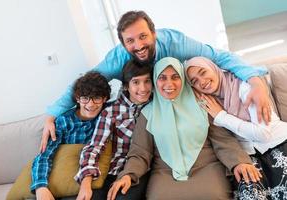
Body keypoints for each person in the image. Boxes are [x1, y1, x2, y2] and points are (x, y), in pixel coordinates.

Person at [40, 10, 271, 152]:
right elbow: (86, 83)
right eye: (130, 40)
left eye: (143, 36)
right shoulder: (117, 58)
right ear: (122, 43)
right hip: (144, 113)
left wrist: (256, 81)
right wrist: (52, 115)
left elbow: (219, 56)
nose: (138, 45)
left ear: (154, 33)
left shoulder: (175, 41)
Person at [107, 57, 261, 200]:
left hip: (206, 167)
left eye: (175, 77)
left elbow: (223, 140)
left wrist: (239, 162)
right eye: (162, 78)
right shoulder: (147, 114)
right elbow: (140, 152)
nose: (169, 84)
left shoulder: (203, 104)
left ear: (183, 79)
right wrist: (128, 175)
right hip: (165, 173)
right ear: (155, 81)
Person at [184, 56, 287, 199]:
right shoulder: (208, 103)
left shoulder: (244, 86)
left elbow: (264, 134)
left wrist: (221, 116)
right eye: (194, 81)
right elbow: (221, 140)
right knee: (250, 194)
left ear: (214, 69)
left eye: (203, 72)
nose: (201, 82)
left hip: (280, 143)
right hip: (249, 157)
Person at [75, 59, 152, 200]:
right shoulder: (111, 111)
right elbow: (95, 146)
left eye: (147, 81)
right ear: (126, 86)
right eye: (136, 82)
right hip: (112, 169)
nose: (143, 88)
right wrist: (85, 182)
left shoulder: (155, 107)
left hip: (139, 170)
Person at [30, 71, 111, 199]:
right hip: (63, 177)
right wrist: (41, 187)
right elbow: (45, 155)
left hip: (92, 177)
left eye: (97, 98)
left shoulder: (109, 114)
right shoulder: (64, 121)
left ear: (105, 98)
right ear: (77, 99)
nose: (90, 104)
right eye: (85, 98)